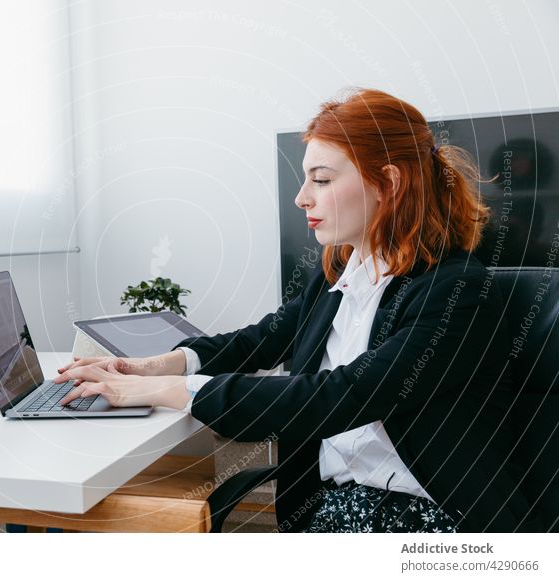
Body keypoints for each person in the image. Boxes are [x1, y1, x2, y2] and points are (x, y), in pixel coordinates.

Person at [53, 88, 537, 533]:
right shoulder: (341, 270)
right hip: (340, 504)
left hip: (432, 519)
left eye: (321, 179)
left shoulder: (455, 293)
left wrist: (165, 390)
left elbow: (339, 396)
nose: (301, 197)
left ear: (388, 183)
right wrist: (150, 366)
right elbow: (262, 338)